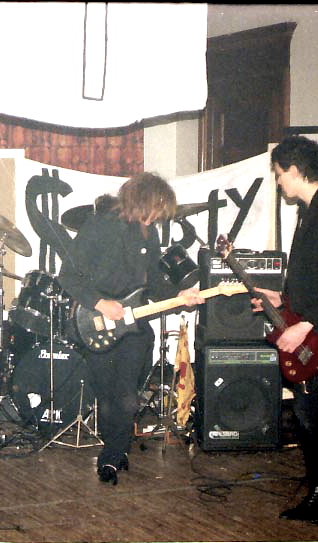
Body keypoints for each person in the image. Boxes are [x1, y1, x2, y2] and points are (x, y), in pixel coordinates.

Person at [58, 172, 204, 485]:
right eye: (157, 208)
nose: (157, 217)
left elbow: (152, 282)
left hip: (132, 321)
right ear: (142, 201)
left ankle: (111, 455)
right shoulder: (100, 226)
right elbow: (67, 275)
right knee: (109, 393)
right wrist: (99, 303)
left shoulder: (149, 235)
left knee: (126, 393)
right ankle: (115, 450)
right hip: (95, 318)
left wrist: (179, 297)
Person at [251, 135, 318, 525]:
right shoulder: (310, 212)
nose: (279, 182)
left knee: (314, 416)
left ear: (295, 171)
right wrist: (279, 299)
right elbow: (310, 280)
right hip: (310, 327)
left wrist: (307, 326)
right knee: (307, 415)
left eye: (280, 175)